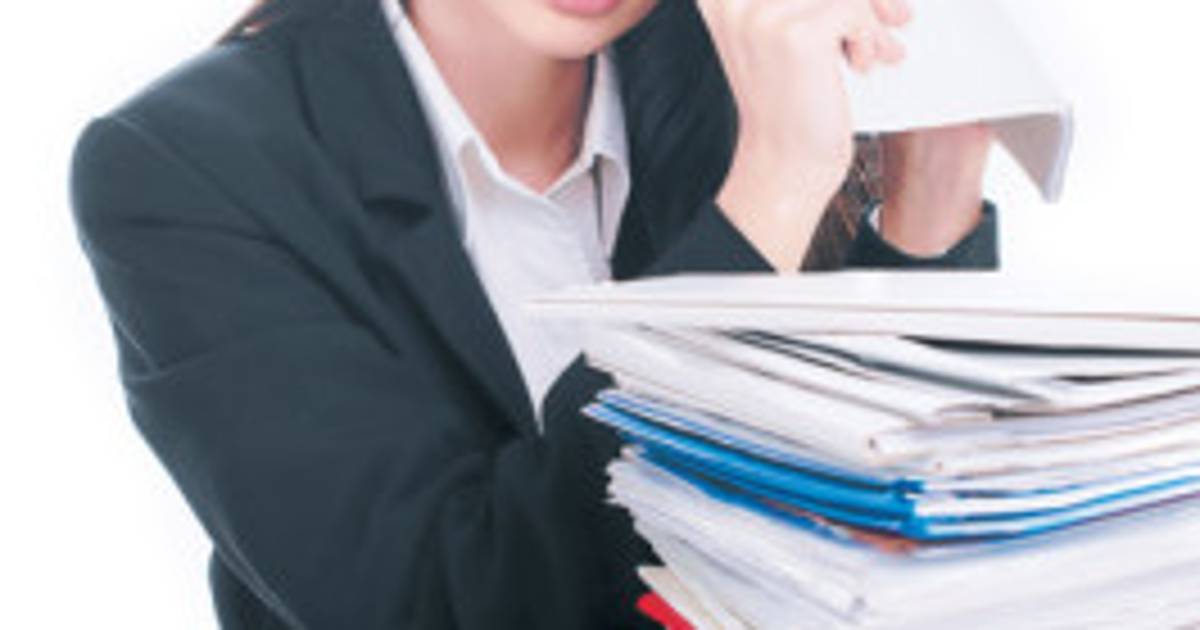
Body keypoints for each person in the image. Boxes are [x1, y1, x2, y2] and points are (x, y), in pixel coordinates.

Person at [69, 0, 998, 627]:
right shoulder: (187, 164)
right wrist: (771, 190)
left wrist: (934, 195)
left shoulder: (744, 70)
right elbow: (427, 602)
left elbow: (899, 520)